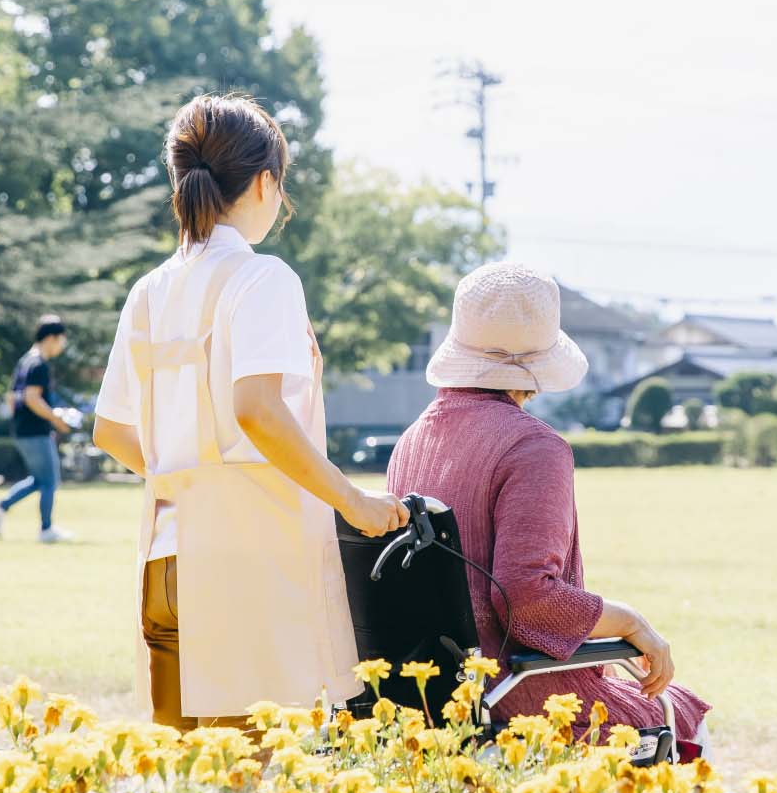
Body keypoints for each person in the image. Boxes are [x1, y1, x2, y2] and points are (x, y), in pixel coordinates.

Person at [91, 92, 409, 730]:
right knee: (252, 780)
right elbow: (257, 411)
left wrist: (186, 478)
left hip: (165, 558)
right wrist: (354, 501)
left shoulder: (149, 290)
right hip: (247, 565)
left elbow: (112, 430)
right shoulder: (263, 279)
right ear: (265, 182)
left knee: (186, 790)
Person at [386, 261, 712, 754]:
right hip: (519, 694)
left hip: (428, 699)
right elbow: (527, 599)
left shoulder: (410, 442)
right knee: (683, 716)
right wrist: (630, 621)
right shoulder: (533, 447)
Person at [0, 315, 76, 543]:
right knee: (50, 481)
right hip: (35, 431)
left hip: (23, 430)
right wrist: (56, 419)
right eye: (61, 340)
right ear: (51, 338)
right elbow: (32, 398)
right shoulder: (38, 365)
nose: (62, 345)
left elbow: (11, 398)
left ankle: (0, 506)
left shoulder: (25, 361)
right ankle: (46, 529)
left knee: (39, 479)